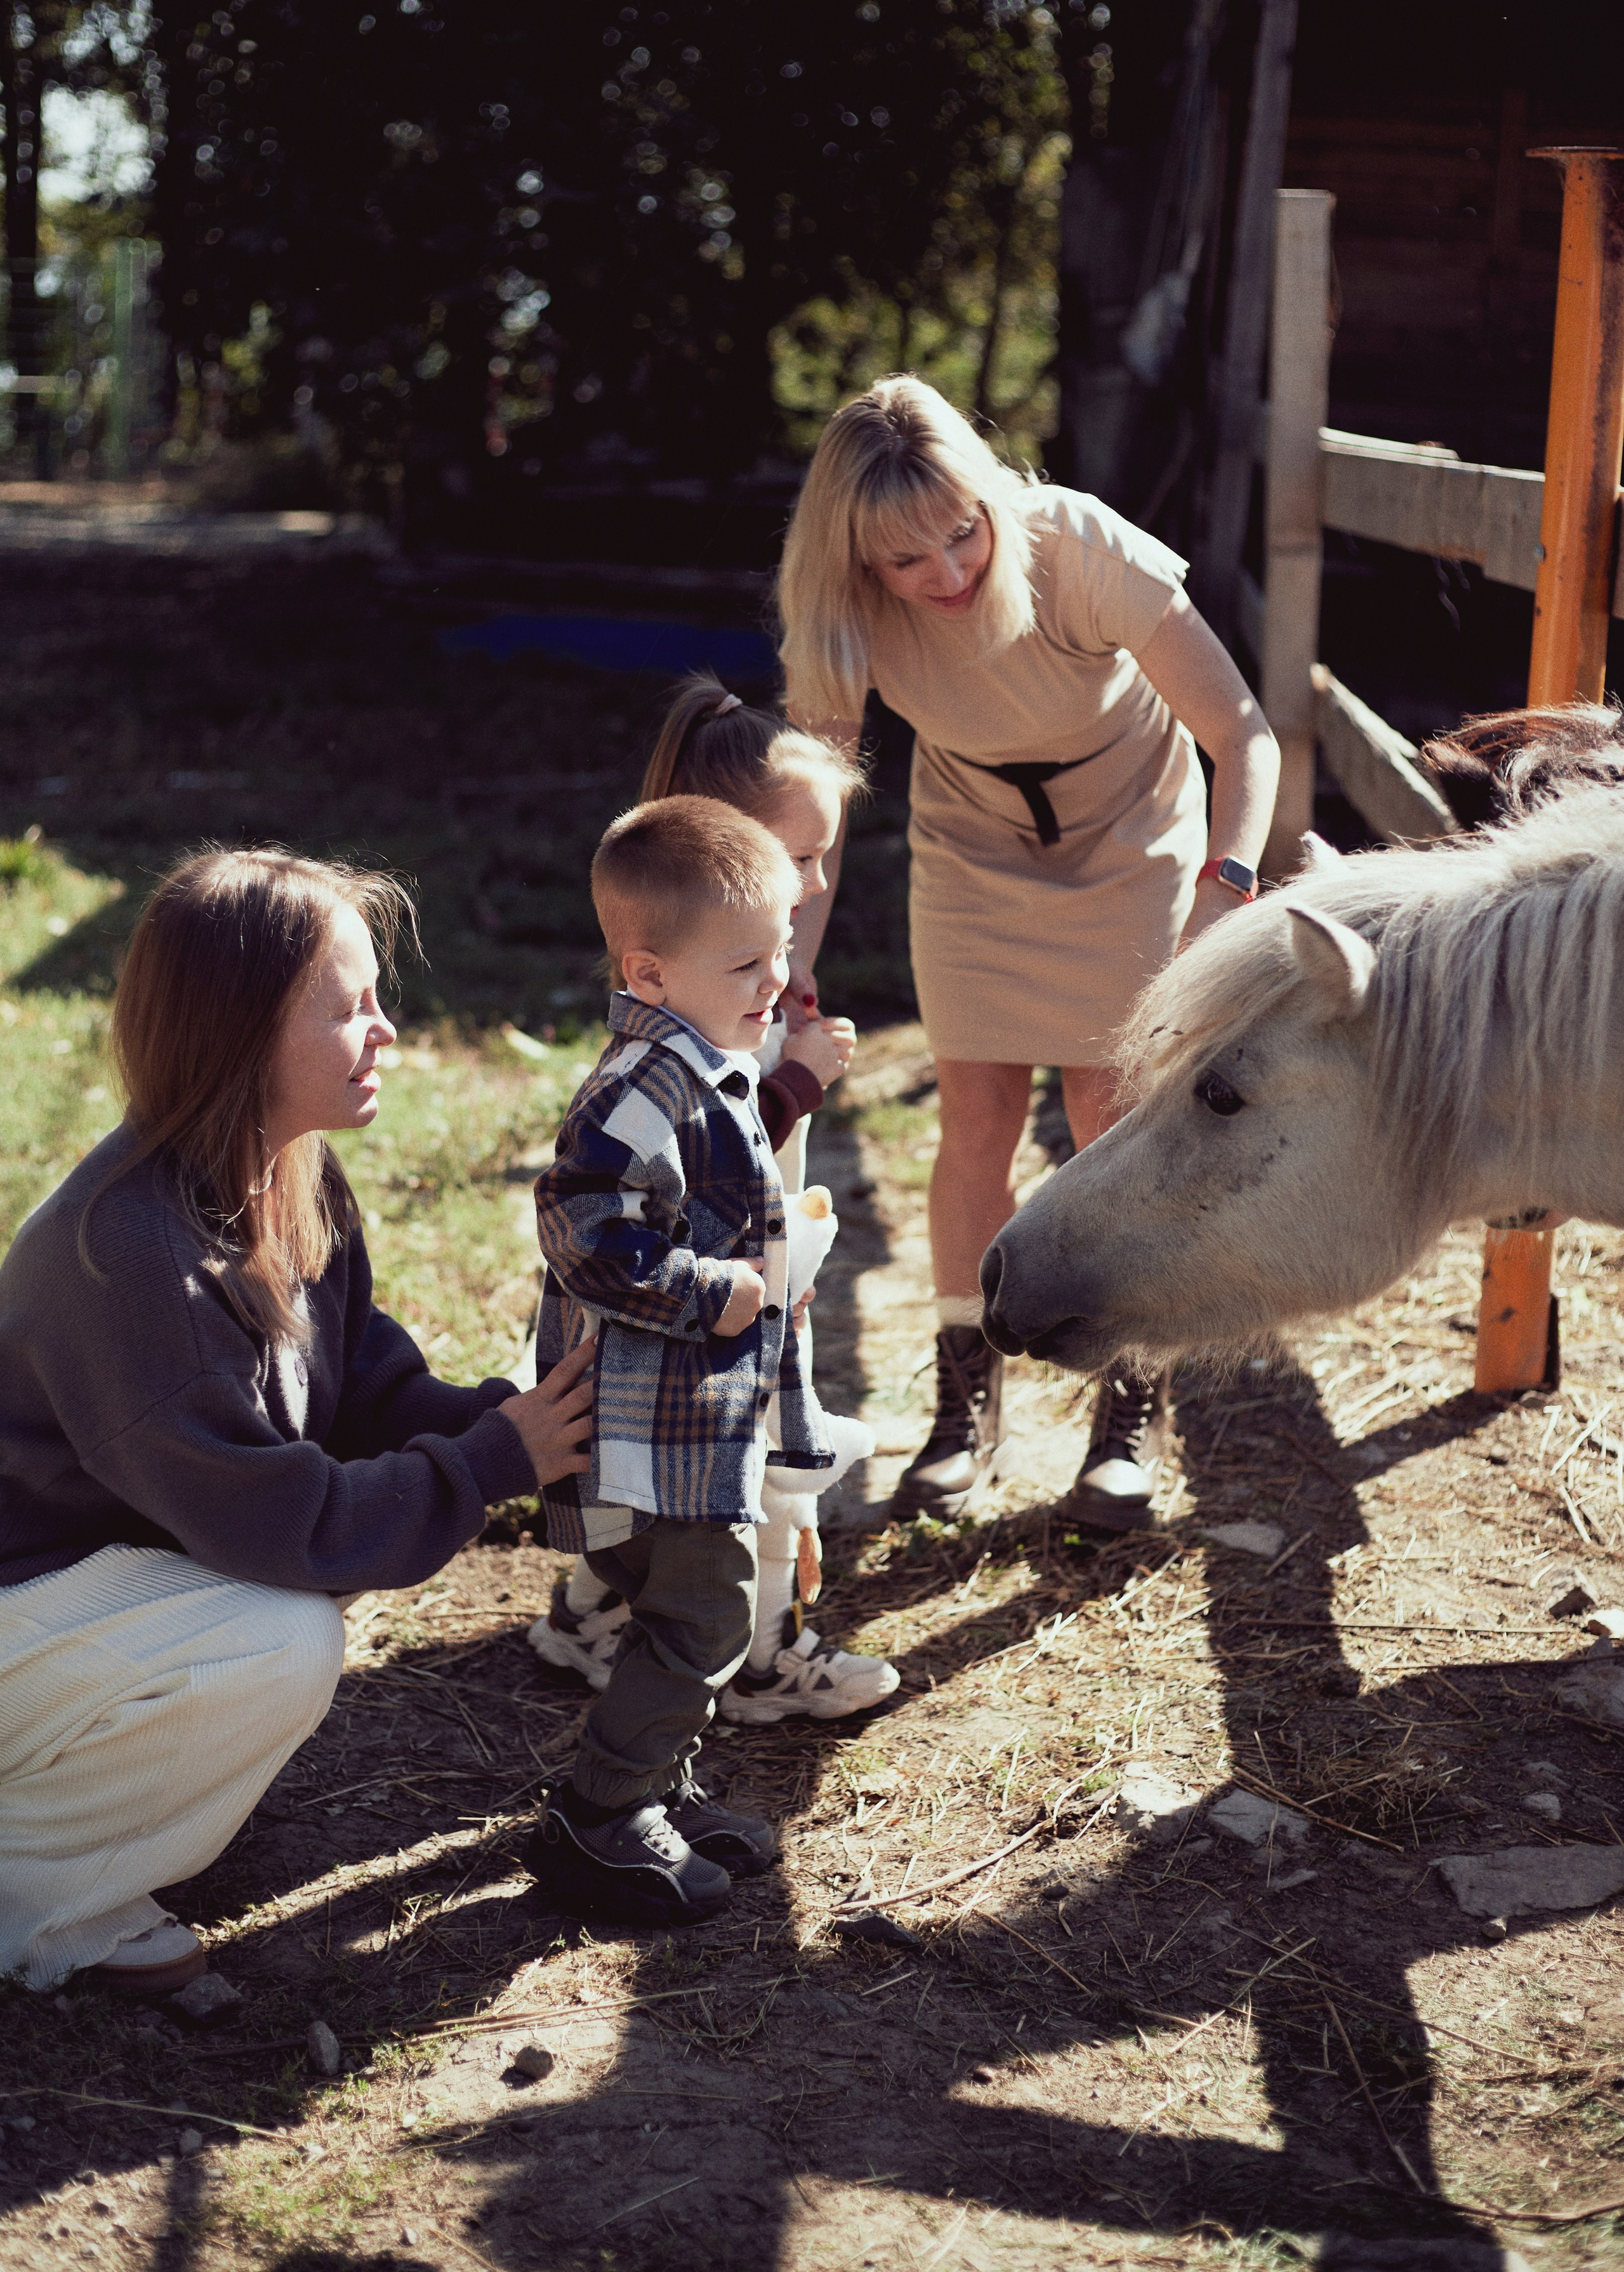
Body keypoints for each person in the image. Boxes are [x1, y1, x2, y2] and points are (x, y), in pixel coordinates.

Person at [0, 849, 593, 1996]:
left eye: (379, 999)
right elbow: (284, 1524)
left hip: (81, 1589)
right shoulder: (128, 1258)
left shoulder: (290, 1176)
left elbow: (365, 1390)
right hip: (18, 1593)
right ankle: (32, 1890)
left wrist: (510, 1424)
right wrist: (491, 1463)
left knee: (274, 1632)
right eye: (347, 1008)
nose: (387, 1035)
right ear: (239, 1035)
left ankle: (77, 1816)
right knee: (279, 1640)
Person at [779, 377, 1279, 1531]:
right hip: (973, 849)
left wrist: (1229, 887)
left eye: (964, 535)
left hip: (1135, 840)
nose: (949, 575)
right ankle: (965, 1411)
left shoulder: (1080, 546)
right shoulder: (843, 614)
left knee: (1111, 1117)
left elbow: (1241, 738)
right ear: (857, 560)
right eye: (909, 563)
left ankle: (1127, 1412)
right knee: (978, 1119)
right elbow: (819, 805)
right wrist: (788, 959)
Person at [528, 677, 898, 1726]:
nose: (819, 881)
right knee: (725, 1468)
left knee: (650, 1470)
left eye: (828, 857)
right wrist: (798, 1083)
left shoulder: (747, 981)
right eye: (798, 859)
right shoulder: (698, 1018)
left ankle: (597, 1614)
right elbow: (706, 1163)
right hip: (692, 1304)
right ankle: (763, 1653)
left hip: (719, 1293)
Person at [525, 796, 839, 1924]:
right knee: (706, 1615)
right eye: (748, 960)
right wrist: (713, 1292)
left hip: (690, 1422)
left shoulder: (705, 1058)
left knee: (685, 1609)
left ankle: (659, 1776)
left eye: (785, 948)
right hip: (644, 1429)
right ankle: (599, 1817)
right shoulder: (640, 1086)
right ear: (650, 975)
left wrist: (796, 1080)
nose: (775, 977)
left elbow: (720, 1165)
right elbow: (580, 1225)